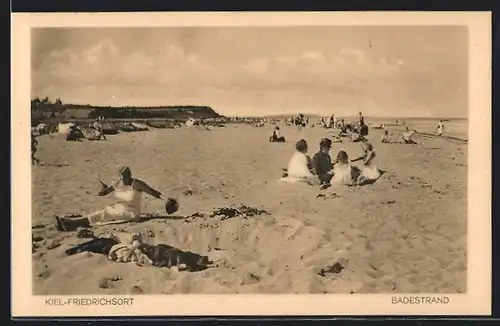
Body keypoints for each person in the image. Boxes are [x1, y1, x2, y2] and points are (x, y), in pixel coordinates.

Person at [55, 166, 167, 231]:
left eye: (128, 175)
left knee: (103, 215)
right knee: (101, 213)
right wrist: (101, 188)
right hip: (119, 208)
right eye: (124, 176)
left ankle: (71, 224)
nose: (126, 178)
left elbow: (154, 192)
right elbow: (103, 193)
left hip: (132, 213)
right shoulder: (118, 183)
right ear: (120, 176)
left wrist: (166, 199)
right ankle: (73, 223)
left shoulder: (137, 184)